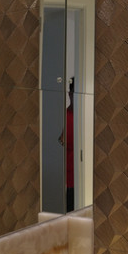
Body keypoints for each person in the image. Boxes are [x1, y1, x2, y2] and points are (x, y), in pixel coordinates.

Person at [58, 78, 74, 212]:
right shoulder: (65, 115)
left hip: (84, 172)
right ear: (70, 93)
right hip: (69, 172)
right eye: (72, 93)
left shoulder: (87, 115)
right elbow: (60, 139)